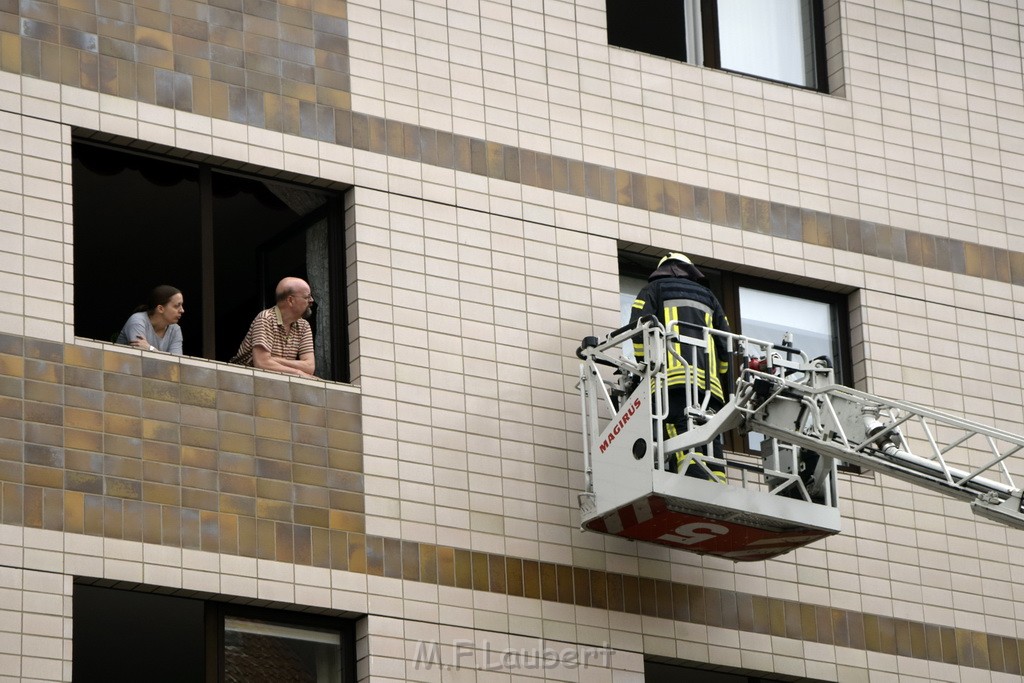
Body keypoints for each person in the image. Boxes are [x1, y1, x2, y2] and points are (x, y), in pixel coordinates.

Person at [628, 253, 731, 481]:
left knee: (680, 432)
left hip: (671, 382)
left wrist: (645, 368)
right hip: (709, 388)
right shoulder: (710, 297)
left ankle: (694, 481)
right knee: (710, 438)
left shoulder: (653, 289)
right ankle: (717, 486)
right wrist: (721, 377)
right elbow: (726, 343)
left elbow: (638, 330)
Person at [230, 277, 315, 377]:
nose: (311, 300)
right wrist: (298, 373)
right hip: (243, 382)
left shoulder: (303, 326)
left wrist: (275, 360)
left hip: (274, 383)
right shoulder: (266, 319)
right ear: (290, 300)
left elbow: (309, 367)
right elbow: (262, 364)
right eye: (307, 297)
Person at [116, 285, 185, 354]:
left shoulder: (175, 329)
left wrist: (150, 348)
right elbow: (141, 357)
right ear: (160, 309)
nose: (182, 310)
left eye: (181, 305)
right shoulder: (138, 321)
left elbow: (175, 363)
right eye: (177, 306)